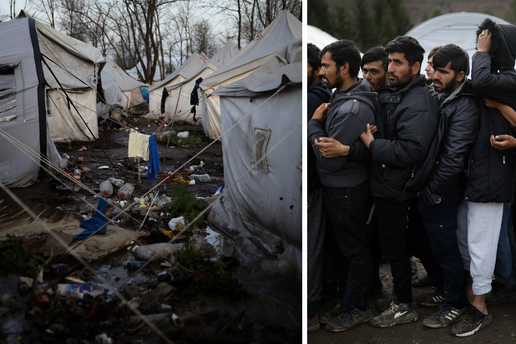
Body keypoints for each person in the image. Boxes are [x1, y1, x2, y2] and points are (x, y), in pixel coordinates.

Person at [359, 36, 439, 328]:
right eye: (390, 61)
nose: (390, 68)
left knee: (395, 248)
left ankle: (404, 305)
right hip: (389, 180)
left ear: (415, 66)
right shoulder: (403, 92)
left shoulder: (419, 101)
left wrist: (371, 143)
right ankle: (404, 298)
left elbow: (411, 150)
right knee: (397, 245)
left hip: (397, 184)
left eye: (397, 63)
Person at [307, 39, 377, 332]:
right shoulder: (343, 96)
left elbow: (329, 161)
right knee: (348, 248)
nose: (322, 72)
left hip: (346, 190)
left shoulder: (350, 108)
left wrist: (313, 124)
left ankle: (360, 306)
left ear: (344, 67)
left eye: (326, 65)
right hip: (342, 187)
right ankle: (350, 298)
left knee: (355, 250)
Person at [453, 18, 516, 337]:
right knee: (467, 237)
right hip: (474, 172)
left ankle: (480, 305)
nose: (482, 41)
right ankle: (469, 296)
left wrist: (481, 51)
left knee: (483, 242)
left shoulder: (508, 78)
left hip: (493, 174)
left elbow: (480, 80)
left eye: (488, 39)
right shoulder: (496, 81)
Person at [412, 44, 480, 328]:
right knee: (422, 241)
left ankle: (455, 302)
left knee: (445, 246)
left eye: (443, 71)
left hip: (445, 188)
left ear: (461, 74)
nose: (435, 75)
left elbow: (454, 158)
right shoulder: (443, 94)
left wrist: (434, 192)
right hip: (432, 184)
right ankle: (444, 289)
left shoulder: (464, 105)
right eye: (435, 69)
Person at [307, 42, 332, 333]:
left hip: (313, 182)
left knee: (313, 244)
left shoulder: (315, 99)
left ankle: (310, 311)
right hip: (312, 181)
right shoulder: (313, 94)